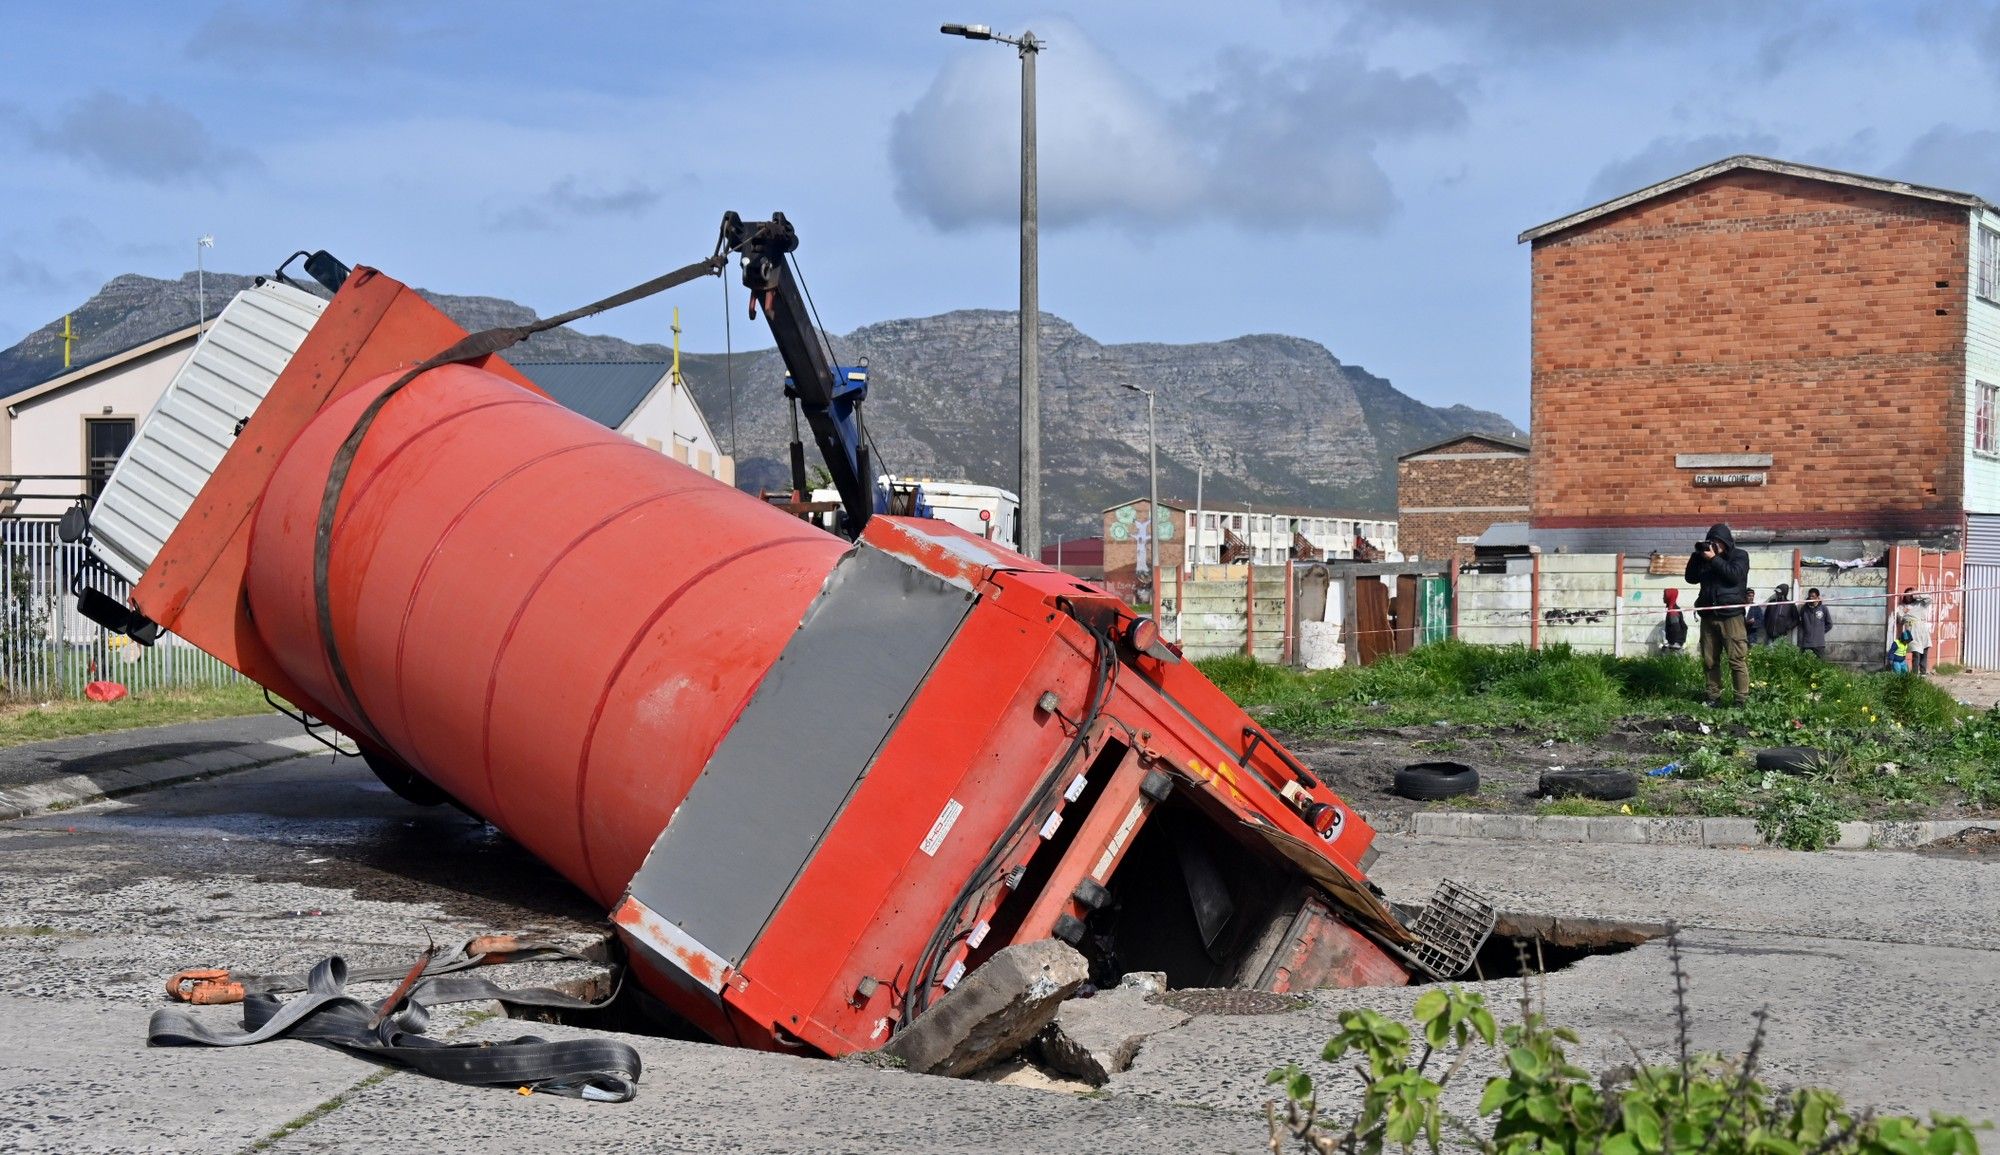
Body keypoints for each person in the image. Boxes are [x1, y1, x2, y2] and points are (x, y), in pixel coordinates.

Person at [1684, 523, 1751, 706]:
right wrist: (1697, 556)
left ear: (1726, 542)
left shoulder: (1740, 556)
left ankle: (1741, 699)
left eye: (1717, 542)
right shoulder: (1704, 559)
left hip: (1731, 616)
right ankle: (1713, 697)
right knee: (1709, 660)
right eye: (1711, 542)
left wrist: (1714, 559)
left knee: (1736, 659)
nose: (1713, 545)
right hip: (1708, 615)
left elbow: (1734, 576)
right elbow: (1690, 578)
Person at [1901, 588, 1933, 675]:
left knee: (1924, 650)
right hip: (1911, 630)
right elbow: (1899, 619)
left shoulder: (1920, 604)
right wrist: (1903, 612)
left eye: (1911, 595)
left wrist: (1916, 594)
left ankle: (1923, 673)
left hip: (1922, 629)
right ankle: (1914, 674)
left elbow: (1929, 598)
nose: (1909, 597)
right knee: (1916, 651)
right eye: (1908, 595)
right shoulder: (1902, 606)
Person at [1796, 588, 1832, 660]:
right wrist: (1800, 640)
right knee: (1801, 662)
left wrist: (1820, 632)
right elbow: (1801, 626)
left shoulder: (1823, 609)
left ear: (1818, 597)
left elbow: (1829, 624)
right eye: (1810, 596)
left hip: (1819, 643)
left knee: (1822, 663)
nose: (1811, 598)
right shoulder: (1804, 609)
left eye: (1813, 596)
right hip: (1806, 642)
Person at [1661, 587, 1688, 652]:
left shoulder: (1673, 611)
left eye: (1664, 595)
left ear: (1669, 596)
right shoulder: (1673, 608)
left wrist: (1671, 644)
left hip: (1676, 645)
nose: (1663, 597)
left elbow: (1676, 628)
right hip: (1676, 643)